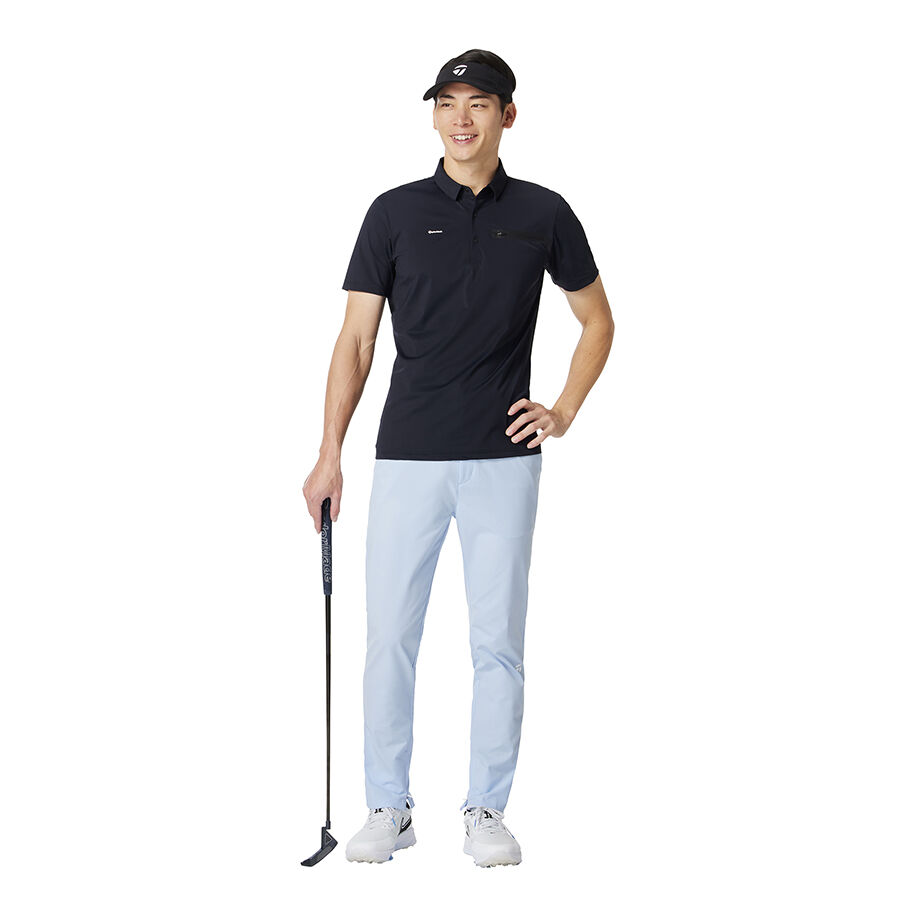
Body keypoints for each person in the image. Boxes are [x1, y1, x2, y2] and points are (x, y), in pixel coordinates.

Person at [302, 48, 614, 867]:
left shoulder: (544, 212)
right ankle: (388, 806)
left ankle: (486, 809)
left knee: (497, 644)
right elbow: (356, 340)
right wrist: (329, 454)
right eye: (447, 103)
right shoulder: (394, 212)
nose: (461, 119)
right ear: (434, 114)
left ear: (508, 115)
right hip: (407, 455)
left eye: (478, 103)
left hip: (504, 461)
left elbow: (598, 320)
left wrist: (563, 411)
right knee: (389, 640)